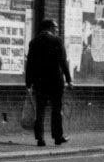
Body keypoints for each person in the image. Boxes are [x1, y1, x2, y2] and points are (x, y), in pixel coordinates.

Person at [24, 17, 72, 146]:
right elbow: (63, 61)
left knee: (40, 110)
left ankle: (40, 138)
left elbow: (30, 64)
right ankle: (57, 137)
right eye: (55, 28)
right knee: (56, 109)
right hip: (55, 81)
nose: (56, 30)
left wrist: (28, 82)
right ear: (50, 28)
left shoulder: (34, 42)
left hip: (39, 81)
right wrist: (69, 79)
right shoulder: (57, 40)